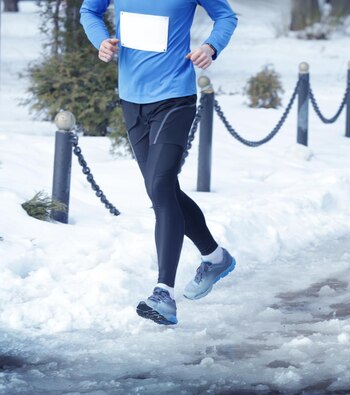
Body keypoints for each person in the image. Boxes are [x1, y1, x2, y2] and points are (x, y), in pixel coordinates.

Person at [80, 0, 238, 325]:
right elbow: (89, 10)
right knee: (162, 191)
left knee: (161, 185)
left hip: (174, 97)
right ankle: (215, 257)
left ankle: (163, 292)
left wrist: (211, 46)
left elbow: (225, 15)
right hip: (132, 99)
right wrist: (102, 41)